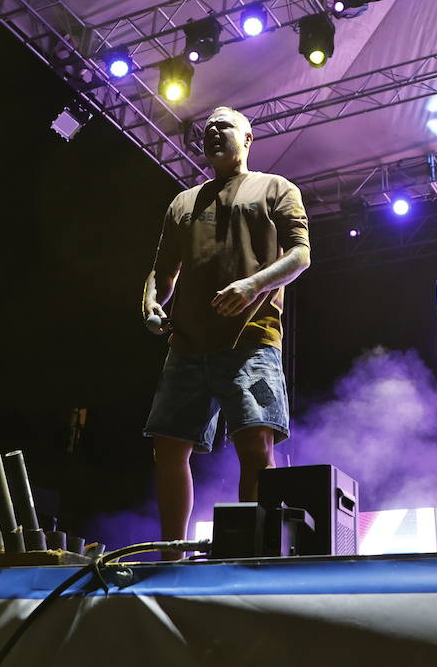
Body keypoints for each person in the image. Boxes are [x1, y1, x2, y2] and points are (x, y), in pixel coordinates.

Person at [141, 106, 311, 557]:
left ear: (249, 138)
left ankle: (250, 551)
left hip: (252, 338)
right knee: (168, 448)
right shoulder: (182, 202)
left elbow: (300, 255)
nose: (214, 133)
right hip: (188, 344)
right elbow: (162, 270)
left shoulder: (276, 188)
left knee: (255, 444)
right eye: (207, 128)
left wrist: (254, 282)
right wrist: (152, 304)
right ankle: (172, 554)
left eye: (225, 127)